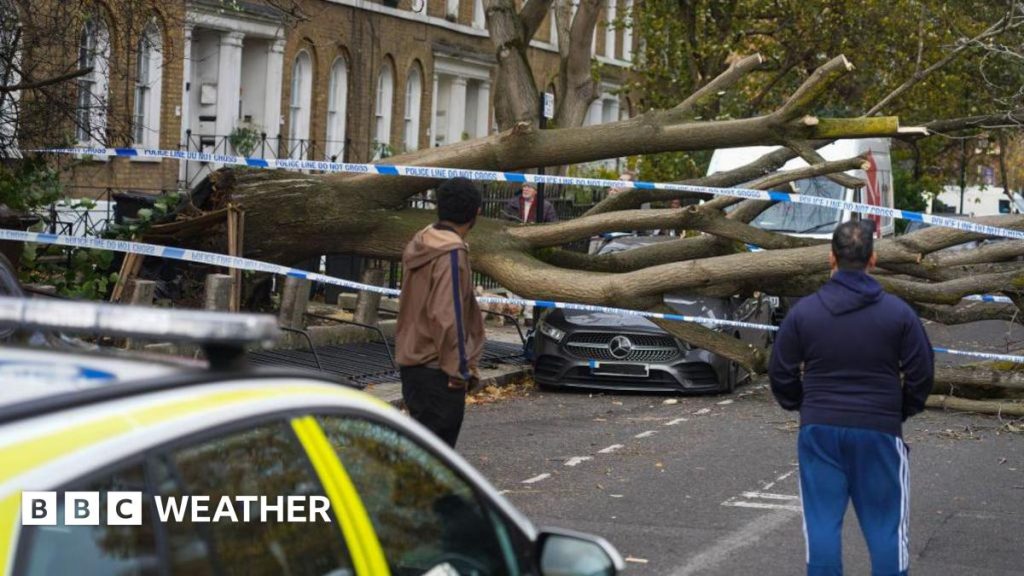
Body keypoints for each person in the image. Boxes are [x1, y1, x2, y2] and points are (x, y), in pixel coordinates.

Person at [769, 219, 934, 576]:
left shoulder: (803, 314)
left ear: (831, 258)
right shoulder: (899, 314)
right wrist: (900, 409)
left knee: (822, 526)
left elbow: (780, 372)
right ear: (873, 259)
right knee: (886, 527)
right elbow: (922, 373)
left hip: (820, 429)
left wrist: (803, 402)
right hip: (879, 428)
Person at [396, 177, 485, 448]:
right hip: (439, 371)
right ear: (476, 213)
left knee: (420, 458)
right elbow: (448, 316)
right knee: (435, 464)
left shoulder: (422, 242)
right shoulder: (451, 252)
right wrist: (460, 371)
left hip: (412, 365)